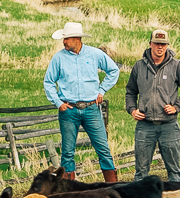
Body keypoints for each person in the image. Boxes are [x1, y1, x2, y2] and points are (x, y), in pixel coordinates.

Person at [42, 21, 123, 182]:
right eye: (64, 39)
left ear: (77, 39)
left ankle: (113, 187)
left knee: (103, 149)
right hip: (69, 110)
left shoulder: (94, 54)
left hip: (91, 109)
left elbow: (113, 70)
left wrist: (102, 90)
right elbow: (48, 82)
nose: (64, 42)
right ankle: (69, 191)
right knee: (67, 153)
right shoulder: (58, 58)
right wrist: (58, 103)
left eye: (66, 39)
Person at [126, 28, 180, 183]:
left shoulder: (177, 66)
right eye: (157, 43)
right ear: (150, 44)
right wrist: (132, 110)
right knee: (141, 173)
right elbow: (130, 92)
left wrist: (176, 107)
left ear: (167, 46)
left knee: (174, 171)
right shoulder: (138, 66)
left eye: (163, 44)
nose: (160, 47)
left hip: (169, 126)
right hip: (145, 126)